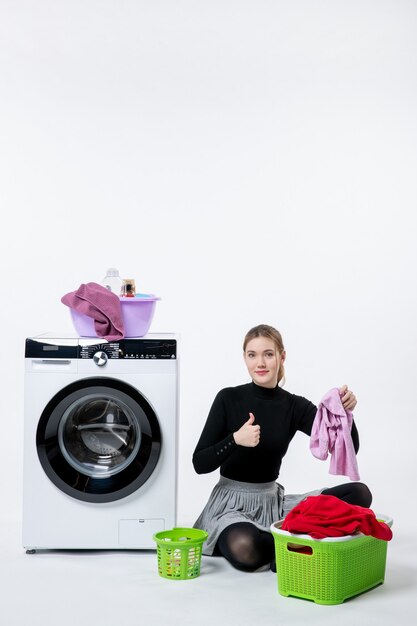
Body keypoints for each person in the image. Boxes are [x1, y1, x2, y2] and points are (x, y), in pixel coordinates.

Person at [192, 324, 372, 572]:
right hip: (230, 506)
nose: (260, 363)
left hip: (273, 504)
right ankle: (301, 545)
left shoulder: (294, 406)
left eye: (268, 353)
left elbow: (347, 447)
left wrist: (345, 414)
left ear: (281, 356)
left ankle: (285, 544)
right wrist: (235, 439)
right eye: (252, 355)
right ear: (245, 358)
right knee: (246, 546)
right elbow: (199, 463)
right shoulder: (228, 398)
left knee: (359, 494)